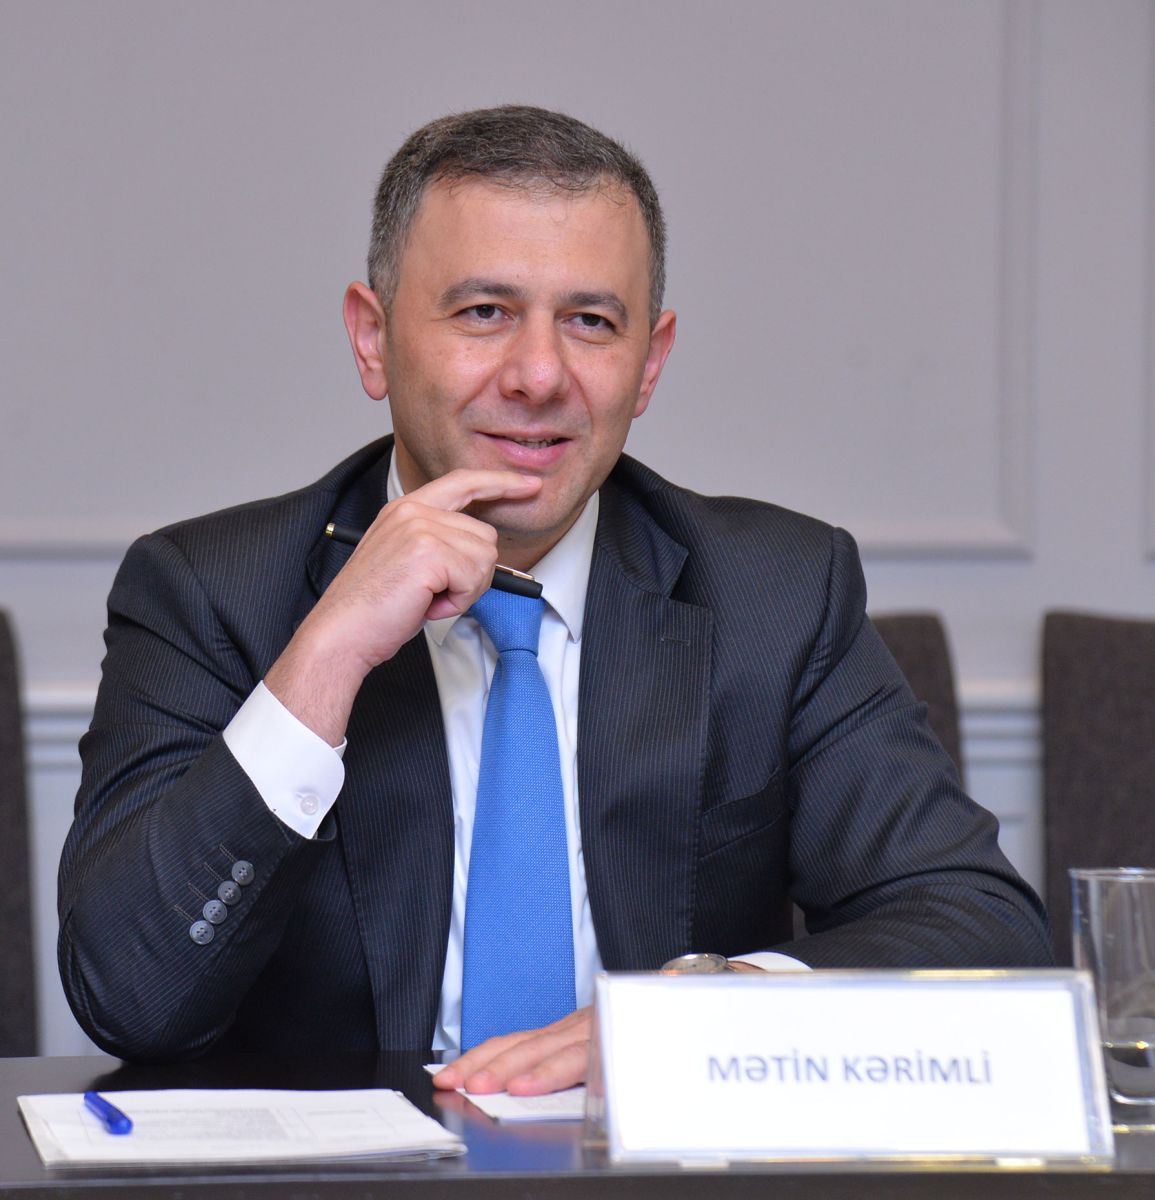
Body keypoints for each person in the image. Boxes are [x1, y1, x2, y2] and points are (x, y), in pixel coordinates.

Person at [59, 105, 1051, 1094]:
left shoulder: (775, 592)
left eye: (590, 323)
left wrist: (691, 1017)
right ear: (373, 338)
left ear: (648, 362)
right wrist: (327, 655)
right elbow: (131, 997)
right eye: (484, 312)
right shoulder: (211, 591)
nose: (539, 376)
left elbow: (980, 926)